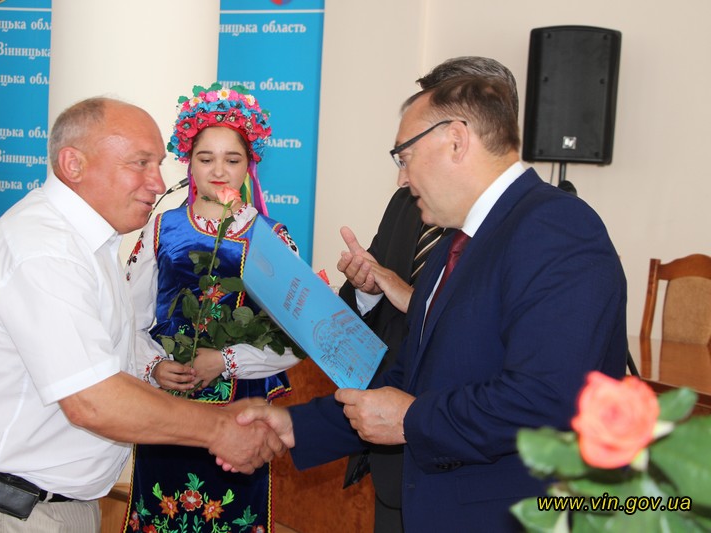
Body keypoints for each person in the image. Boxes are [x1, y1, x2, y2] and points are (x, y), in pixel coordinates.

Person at [237, 72, 628, 531]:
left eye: (404, 157)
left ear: (456, 141)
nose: (402, 179)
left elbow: (546, 400)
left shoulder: (557, 229)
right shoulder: (454, 243)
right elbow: (412, 378)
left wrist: (411, 419)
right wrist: (294, 426)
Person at [0, 97, 286, 532]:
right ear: (73, 164)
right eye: (140, 164)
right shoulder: (44, 249)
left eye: (159, 164)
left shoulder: (92, 243)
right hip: (2, 510)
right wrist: (219, 428)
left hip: (46, 506)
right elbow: (92, 399)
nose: (158, 182)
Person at [338, 57, 519, 533]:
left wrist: (413, 295)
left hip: (470, 464)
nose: (405, 175)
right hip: (390, 445)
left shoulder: (525, 228)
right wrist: (367, 290)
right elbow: (371, 289)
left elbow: (523, 385)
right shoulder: (406, 203)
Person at [123, 84, 302, 533]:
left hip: (239, 413)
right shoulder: (161, 229)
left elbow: (297, 339)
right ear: (189, 162)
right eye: (206, 159)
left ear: (249, 165)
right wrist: (154, 367)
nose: (219, 170)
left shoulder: (269, 238)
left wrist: (224, 361)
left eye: (232, 160)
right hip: (164, 407)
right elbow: (126, 321)